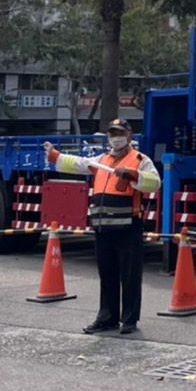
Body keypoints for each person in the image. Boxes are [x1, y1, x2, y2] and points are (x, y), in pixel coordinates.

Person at [45, 119, 160, 335]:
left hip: (128, 227)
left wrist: (134, 175)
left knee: (130, 276)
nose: (116, 138)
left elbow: (155, 183)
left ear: (129, 135)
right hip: (103, 230)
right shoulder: (102, 160)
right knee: (107, 275)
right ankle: (107, 318)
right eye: (112, 133)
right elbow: (79, 163)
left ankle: (129, 320)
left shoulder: (139, 159)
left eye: (120, 133)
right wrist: (56, 156)